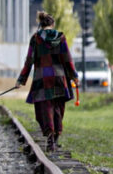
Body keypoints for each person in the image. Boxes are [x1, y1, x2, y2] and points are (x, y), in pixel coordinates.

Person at [16, 11, 78, 152]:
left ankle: (50, 140)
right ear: (52, 24)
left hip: (42, 79)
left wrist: (21, 80)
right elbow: (67, 59)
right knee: (58, 109)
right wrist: (74, 76)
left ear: (41, 24)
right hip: (59, 79)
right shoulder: (61, 38)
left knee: (45, 110)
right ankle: (55, 139)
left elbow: (29, 61)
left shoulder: (36, 38)